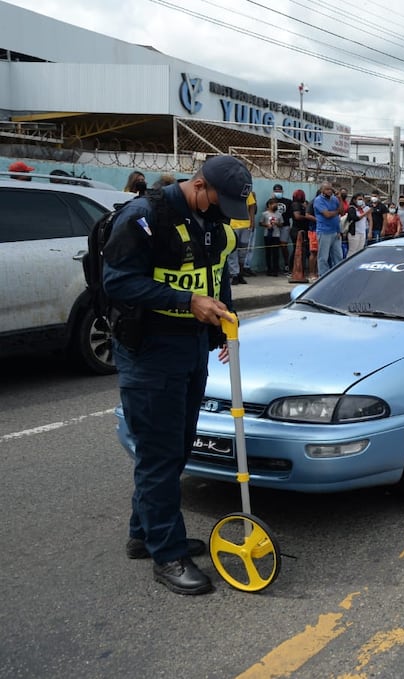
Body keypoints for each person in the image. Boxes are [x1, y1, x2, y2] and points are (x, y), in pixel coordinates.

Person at [103, 154, 250, 595]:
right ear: (198, 184)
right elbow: (118, 282)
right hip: (149, 350)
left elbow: (216, 276)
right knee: (159, 452)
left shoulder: (215, 225)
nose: (223, 212)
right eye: (218, 201)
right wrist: (189, 303)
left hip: (191, 347)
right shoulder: (146, 217)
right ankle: (166, 554)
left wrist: (222, 322)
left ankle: (143, 534)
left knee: (177, 446)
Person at [313, 181, 344, 276]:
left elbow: (342, 211)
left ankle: (338, 274)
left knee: (338, 255)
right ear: (322, 190)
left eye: (331, 189)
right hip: (324, 231)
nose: (329, 191)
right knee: (323, 256)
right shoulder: (318, 200)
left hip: (335, 231)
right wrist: (337, 211)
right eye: (327, 189)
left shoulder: (334, 199)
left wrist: (340, 199)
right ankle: (323, 275)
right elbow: (327, 214)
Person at [259, 197, 284, 275]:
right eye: (274, 204)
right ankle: (269, 269)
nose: (275, 206)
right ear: (269, 205)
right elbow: (260, 223)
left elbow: (282, 224)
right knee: (268, 252)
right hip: (267, 235)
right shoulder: (264, 214)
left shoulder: (279, 214)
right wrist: (266, 225)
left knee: (276, 253)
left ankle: (275, 269)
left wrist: (277, 224)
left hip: (276, 235)